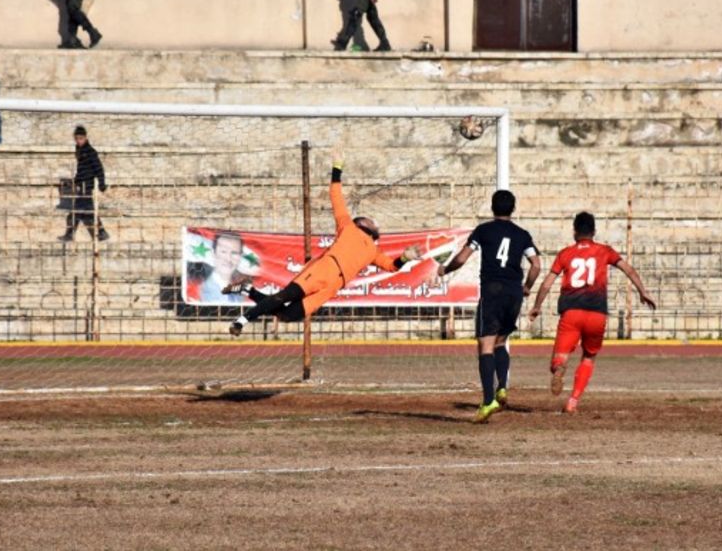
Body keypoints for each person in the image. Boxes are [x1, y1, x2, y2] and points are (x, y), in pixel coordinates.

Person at [224, 155, 419, 335]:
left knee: (288, 315)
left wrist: (404, 258)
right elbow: (336, 196)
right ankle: (241, 322)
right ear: (362, 223)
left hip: (333, 286)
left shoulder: (374, 251)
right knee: (284, 296)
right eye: (371, 221)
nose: (375, 224)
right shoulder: (348, 226)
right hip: (324, 269)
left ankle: (247, 290)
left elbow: (392, 266)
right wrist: (337, 168)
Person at [527, 212, 656, 414]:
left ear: (574, 231)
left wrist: (536, 306)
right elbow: (628, 269)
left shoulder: (565, 254)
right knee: (588, 356)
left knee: (559, 359)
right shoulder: (605, 251)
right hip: (597, 313)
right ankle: (573, 402)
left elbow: (547, 283)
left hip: (571, 313)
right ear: (594, 232)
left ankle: (560, 367)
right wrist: (643, 292)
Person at [436, 190, 542, 423]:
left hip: (492, 291)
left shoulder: (483, 230)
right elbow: (536, 264)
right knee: (501, 342)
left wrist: (445, 269)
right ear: (513, 209)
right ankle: (501, 387)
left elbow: (462, 258)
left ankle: (487, 402)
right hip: (514, 293)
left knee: (485, 345)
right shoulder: (522, 234)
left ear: (492, 208)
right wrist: (527, 286)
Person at [59, 125, 108, 242]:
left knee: (77, 212)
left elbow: (99, 168)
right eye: (76, 139)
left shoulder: (90, 152)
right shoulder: (80, 151)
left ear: (85, 138)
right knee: (86, 212)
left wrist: (102, 184)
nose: (78, 141)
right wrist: (74, 182)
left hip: (87, 186)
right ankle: (101, 233)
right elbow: (82, 172)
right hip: (83, 186)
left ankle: (71, 235)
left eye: (81, 138)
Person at [199, 232, 247, 303]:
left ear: (241, 256)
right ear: (213, 254)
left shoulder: (239, 294)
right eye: (223, 252)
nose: (228, 259)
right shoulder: (202, 290)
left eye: (234, 253)